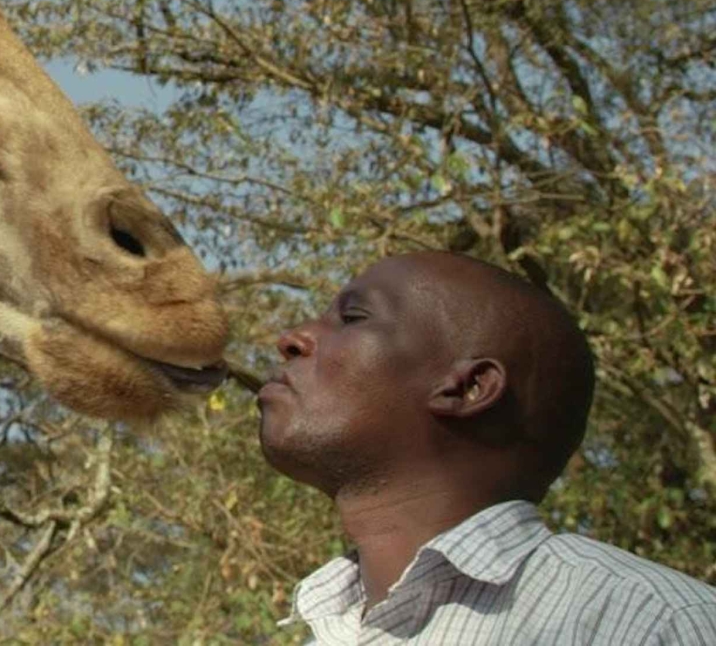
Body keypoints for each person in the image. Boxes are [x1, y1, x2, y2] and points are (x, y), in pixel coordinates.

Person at [258, 250, 716, 644]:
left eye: (353, 317)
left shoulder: (648, 623)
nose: (291, 339)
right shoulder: (315, 628)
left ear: (468, 387)